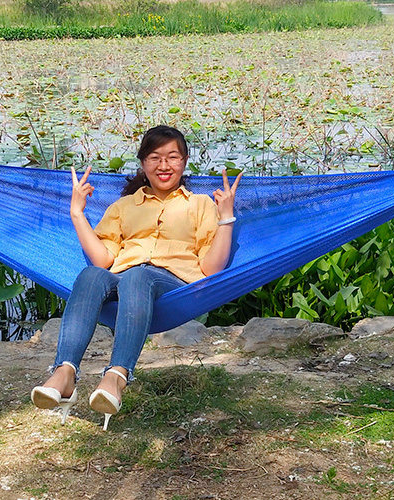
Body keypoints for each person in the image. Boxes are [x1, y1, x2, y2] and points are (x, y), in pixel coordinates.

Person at [30, 125, 242, 430]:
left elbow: (212, 268)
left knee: (138, 277)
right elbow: (103, 260)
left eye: (173, 157)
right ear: (143, 163)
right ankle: (64, 372)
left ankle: (117, 375)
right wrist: (77, 213)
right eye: (155, 157)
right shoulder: (124, 206)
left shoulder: (200, 204)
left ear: (184, 162)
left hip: (171, 282)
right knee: (91, 275)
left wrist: (226, 218)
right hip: (124, 276)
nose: (164, 165)